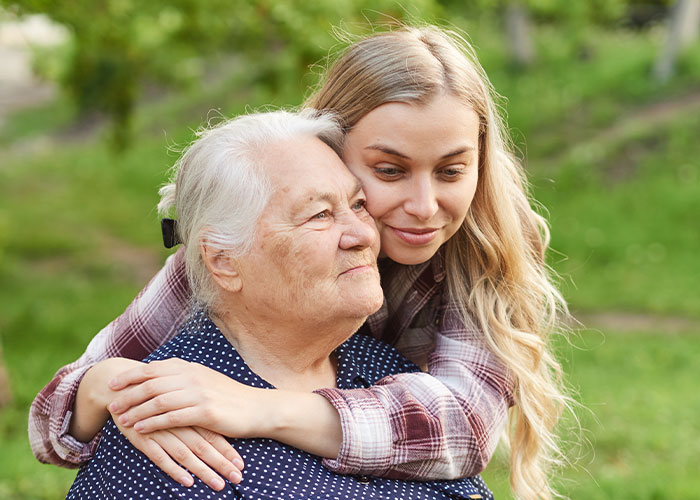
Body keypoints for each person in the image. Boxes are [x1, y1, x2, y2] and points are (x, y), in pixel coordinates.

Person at [31, 26, 570, 500]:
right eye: (388, 171)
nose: (425, 205)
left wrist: (260, 406)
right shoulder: (241, 248)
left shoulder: (485, 243)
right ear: (328, 151)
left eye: (451, 172)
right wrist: (117, 387)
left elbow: (465, 427)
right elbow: (49, 426)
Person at [66, 109, 493, 499]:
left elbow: (468, 431)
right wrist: (107, 384)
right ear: (223, 261)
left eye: (358, 204)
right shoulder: (171, 437)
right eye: (319, 215)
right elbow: (54, 417)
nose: (363, 234)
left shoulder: (383, 368)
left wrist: (264, 408)